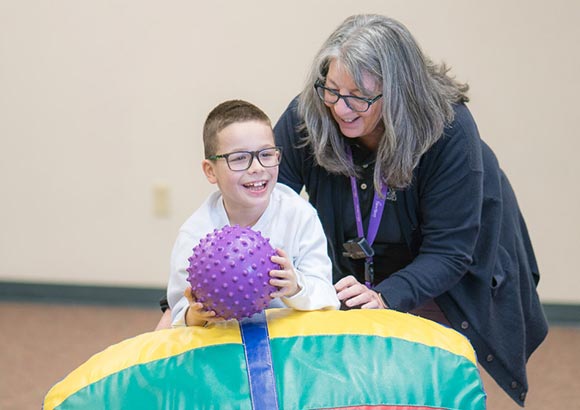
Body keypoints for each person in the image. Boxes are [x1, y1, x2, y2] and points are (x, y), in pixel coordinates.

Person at [273, 14, 548, 406]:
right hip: (359, 271)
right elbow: (265, 200)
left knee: (427, 386)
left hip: (448, 276)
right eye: (331, 89)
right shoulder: (310, 113)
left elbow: (449, 252)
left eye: (360, 97)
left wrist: (386, 296)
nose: (341, 108)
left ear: (398, 92)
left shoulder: (447, 129)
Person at [166, 99, 339, 327]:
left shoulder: (300, 216)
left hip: (288, 341)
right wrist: (195, 315)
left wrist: (295, 285)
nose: (257, 168)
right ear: (211, 171)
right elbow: (178, 313)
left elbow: (328, 296)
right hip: (225, 341)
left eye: (266, 154)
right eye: (239, 158)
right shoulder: (195, 234)